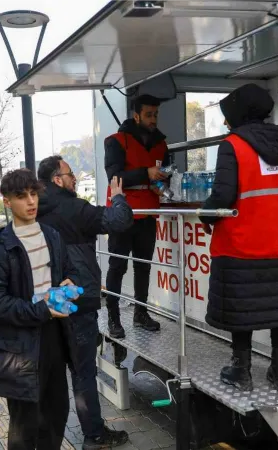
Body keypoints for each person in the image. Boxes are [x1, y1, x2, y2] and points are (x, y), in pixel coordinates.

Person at [199, 83, 278, 392]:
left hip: (241, 244)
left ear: (238, 116)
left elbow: (222, 195)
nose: (226, 123)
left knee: (241, 306)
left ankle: (241, 371)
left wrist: (205, 215)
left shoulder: (232, 145)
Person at [0, 169, 79, 450]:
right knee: (25, 427)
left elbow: (67, 269)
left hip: (55, 337)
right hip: (19, 347)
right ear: (7, 202)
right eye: (21, 196)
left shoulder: (52, 236)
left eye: (33, 194)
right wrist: (42, 310)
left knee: (56, 414)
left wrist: (69, 281)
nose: (31, 201)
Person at [37, 156, 133, 449]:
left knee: (60, 370)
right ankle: (94, 434)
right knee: (83, 371)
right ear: (57, 179)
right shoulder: (74, 208)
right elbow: (120, 221)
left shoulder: (37, 209)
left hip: (51, 299)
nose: (74, 178)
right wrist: (118, 199)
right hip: (78, 297)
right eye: (70, 174)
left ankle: (53, 435)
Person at [103, 94, 171, 338]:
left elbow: (165, 174)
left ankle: (140, 314)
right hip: (122, 214)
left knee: (143, 267)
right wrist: (147, 173)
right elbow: (114, 178)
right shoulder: (116, 141)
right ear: (136, 115)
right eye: (149, 115)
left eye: (156, 115)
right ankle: (113, 317)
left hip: (148, 213)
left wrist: (161, 183)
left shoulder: (161, 144)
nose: (153, 120)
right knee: (117, 266)